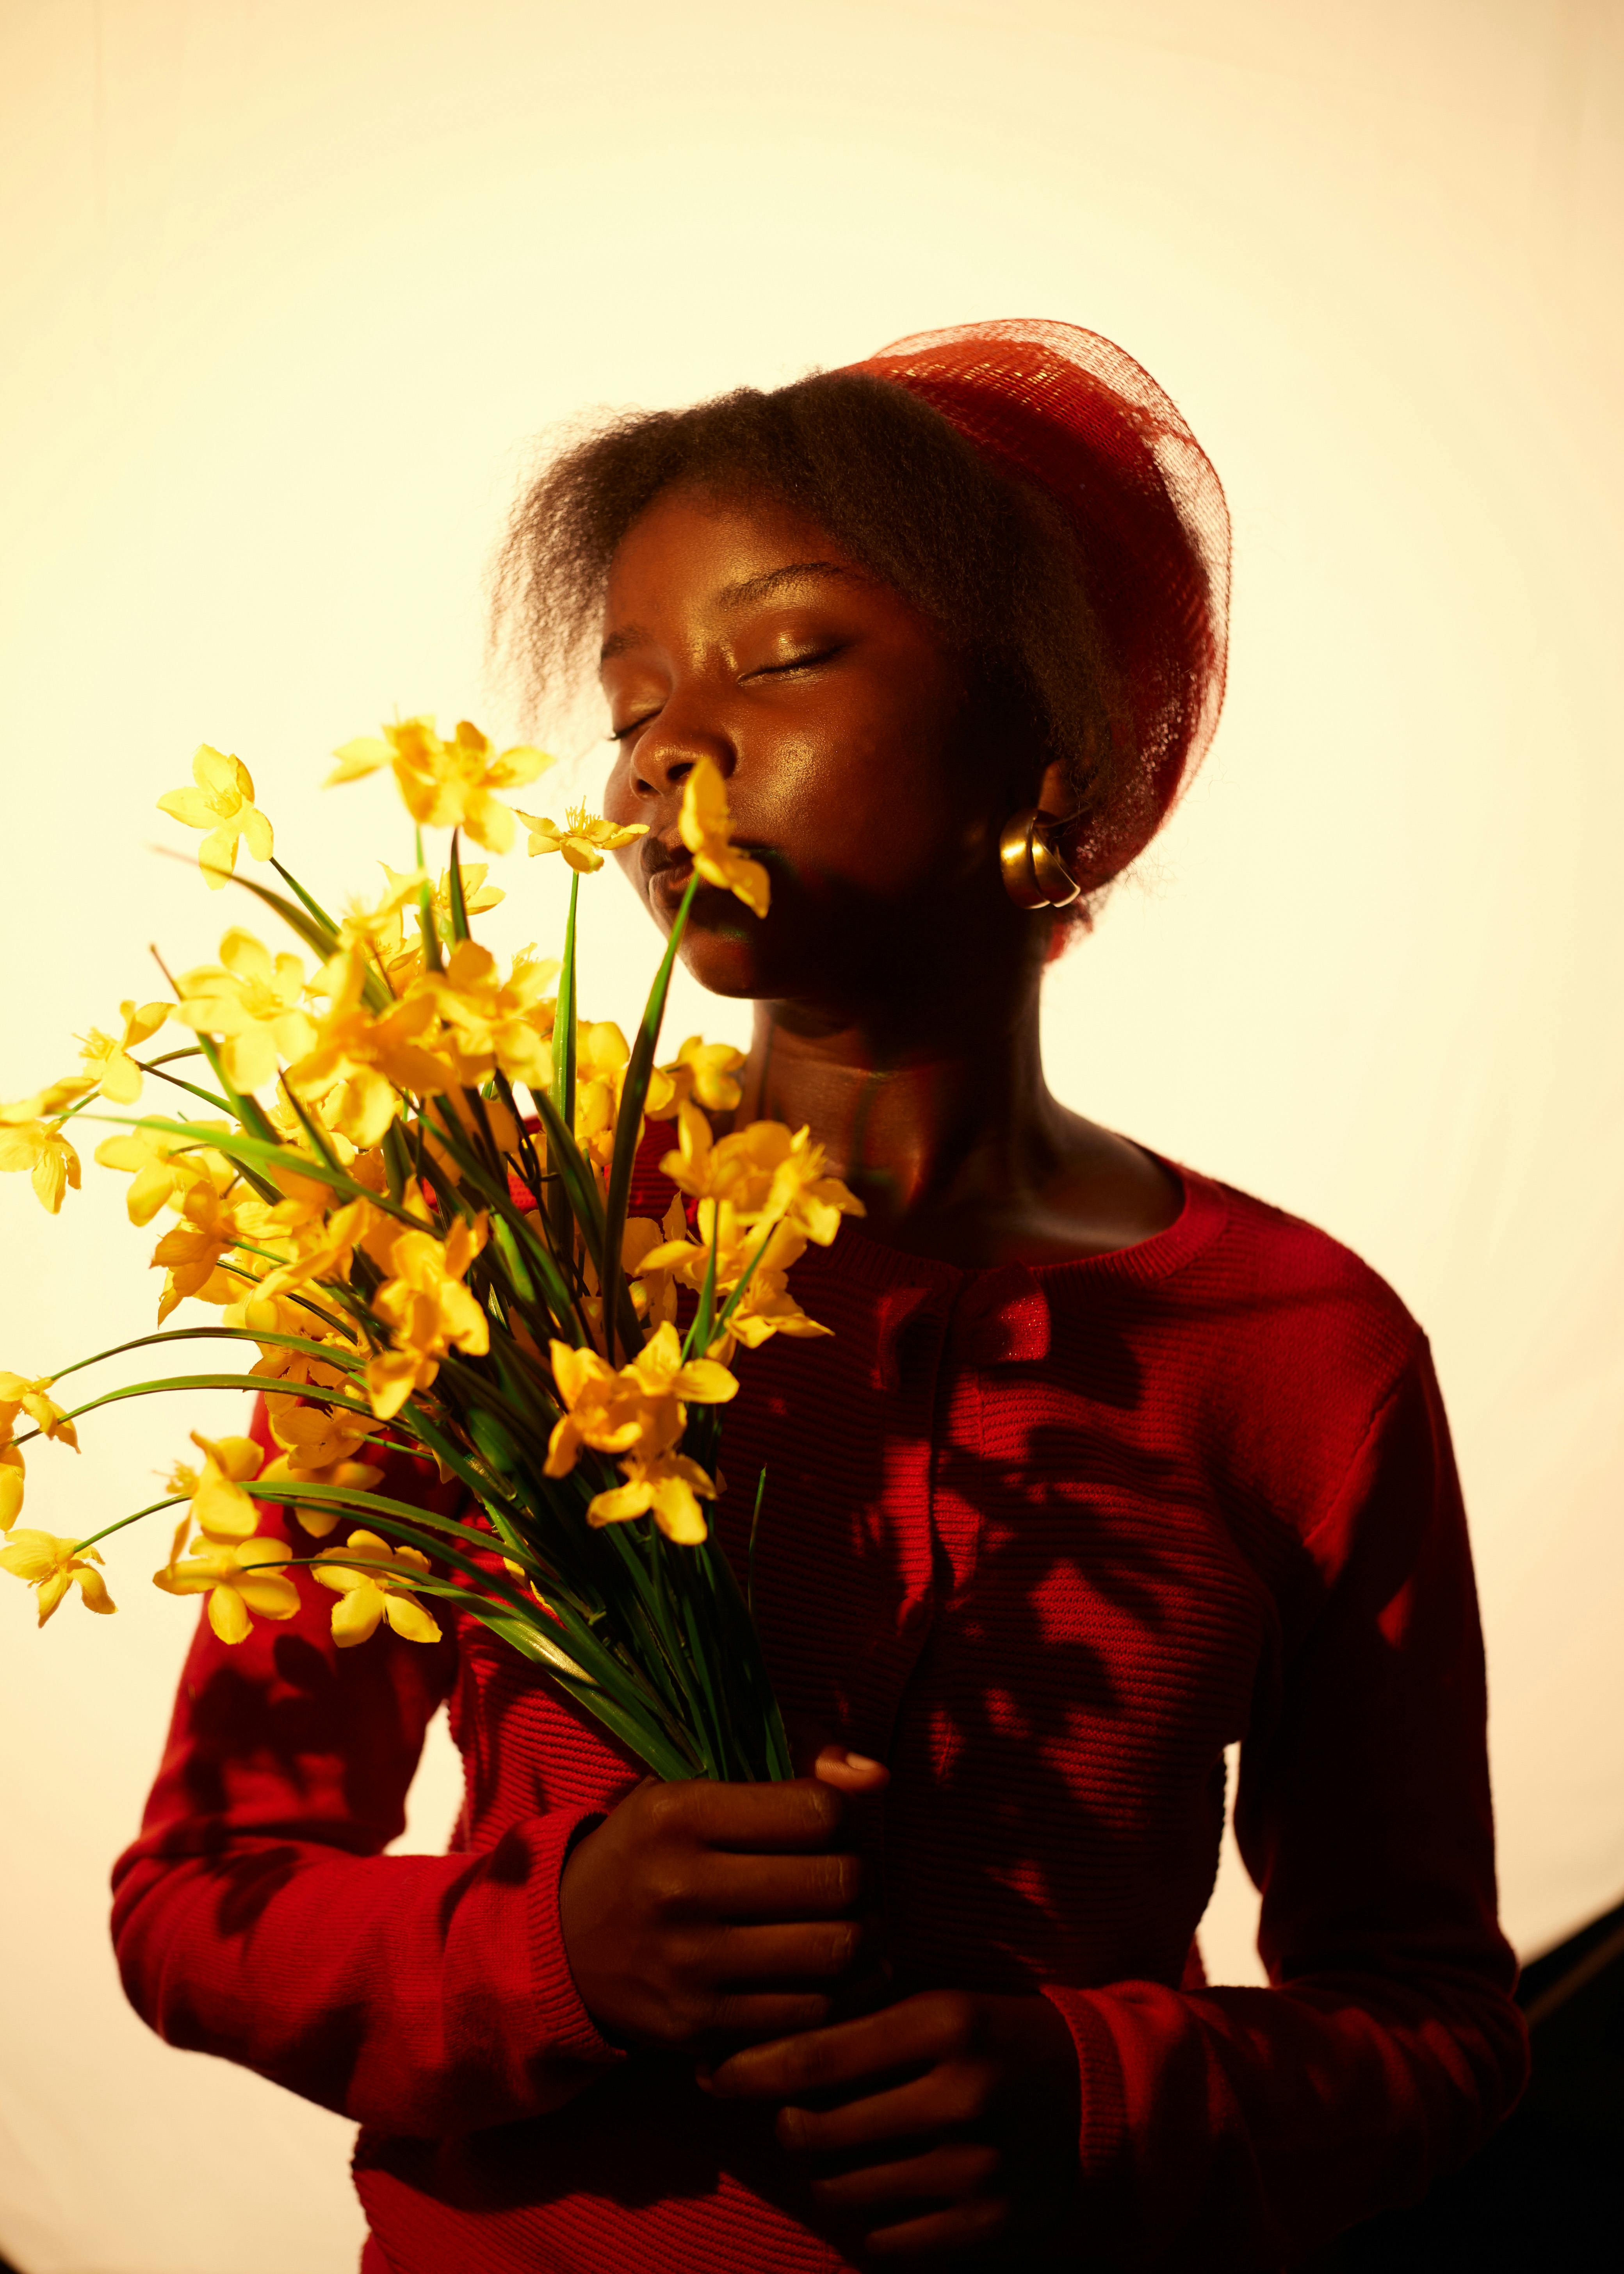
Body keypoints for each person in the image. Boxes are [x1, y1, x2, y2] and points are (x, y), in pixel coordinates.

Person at [112, 321, 1528, 2272]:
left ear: (1043, 749)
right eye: (630, 701)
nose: (662, 752)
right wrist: (556, 1945)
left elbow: (1433, 2025)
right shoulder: (467, 1253)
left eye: (777, 657)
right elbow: (196, 1901)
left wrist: (1086, 2093)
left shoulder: (1297, 1342)